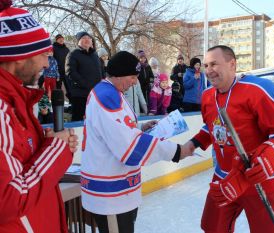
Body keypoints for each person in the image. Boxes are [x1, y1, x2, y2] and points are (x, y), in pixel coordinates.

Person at [183, 45, 274, 233]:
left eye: (214, 64)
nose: (208, 71)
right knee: (213, 227)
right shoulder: (206, 96)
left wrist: (270, 159)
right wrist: (194, 143)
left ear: (232, 64)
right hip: (224, 177)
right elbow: (212, 126)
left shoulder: (258, 89)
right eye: (206, 65)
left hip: (261, 179)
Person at [80, 51, 193, 233]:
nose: (135, 82)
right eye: (132, 77)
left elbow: (115, 131)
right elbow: (129, 147)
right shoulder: (107, 96)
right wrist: (178, 151)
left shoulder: (110, 91)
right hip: (111, 194)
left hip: (118, 190)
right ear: (119, 73)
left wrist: (140, 128)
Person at [0, 1, 79, 232]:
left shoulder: (18, 102)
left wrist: (49, 146)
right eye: (43, 54)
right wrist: (55, 149)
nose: (47, 63)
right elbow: (7, 200)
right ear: (18, 56)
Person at [66, 31, 102, 121]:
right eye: (83, 38)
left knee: (95, 120)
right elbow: (70, 72)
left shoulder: (95, 55)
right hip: (80, 95)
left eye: (89, 38)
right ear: (78, 41)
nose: (87, 40)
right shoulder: (73, 54)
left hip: (96, 94)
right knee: (79, 119)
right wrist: (85, 84)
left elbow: (101, 71)